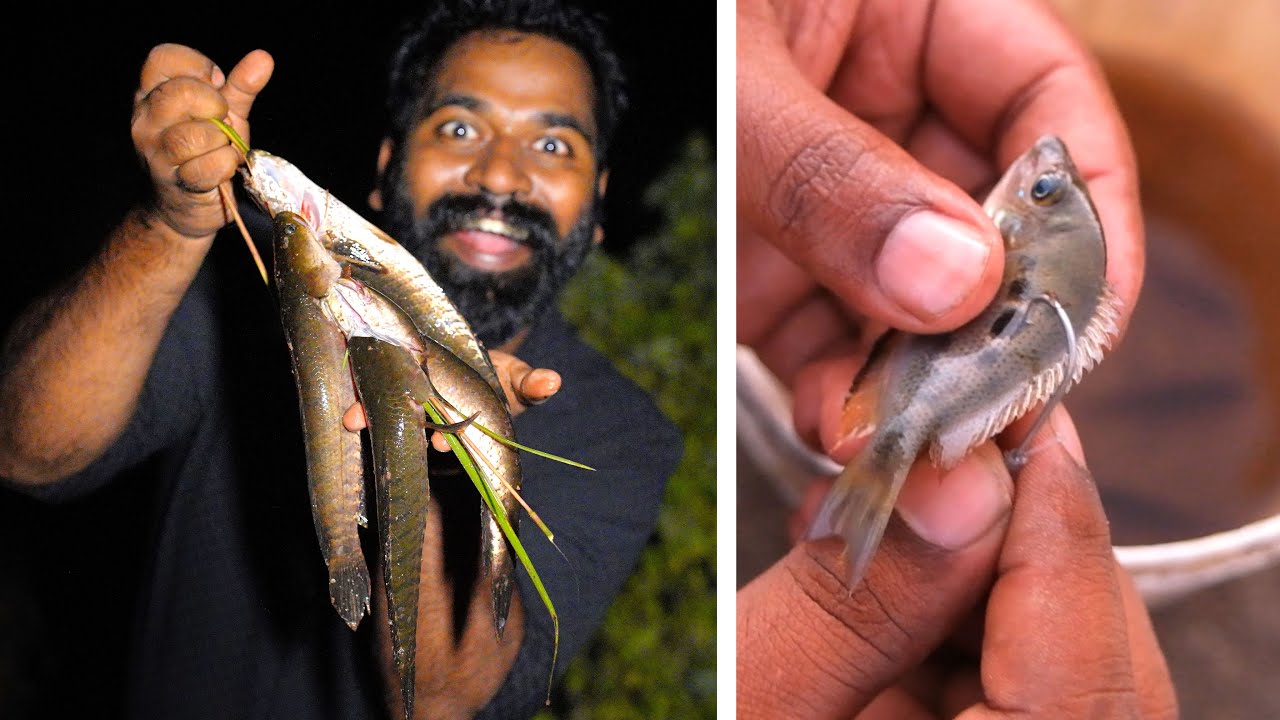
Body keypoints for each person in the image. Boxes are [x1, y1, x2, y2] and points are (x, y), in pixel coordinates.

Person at [0, 1, 681, 718]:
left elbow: (440, 706)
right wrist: (172, 228)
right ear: (385, 172)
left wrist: (445, 465)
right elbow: (25, 447)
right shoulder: (244, 281)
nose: (500, 176)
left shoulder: (624, 433)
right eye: (458, 128)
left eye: (552, 146)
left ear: (598, 203)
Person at [736, 0, 1177, 717]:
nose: (1040, 165)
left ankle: (876, 485)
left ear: (1027, 223)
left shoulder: (996, 239)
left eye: (1043, 189)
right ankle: (874, 494)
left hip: (923, 375)